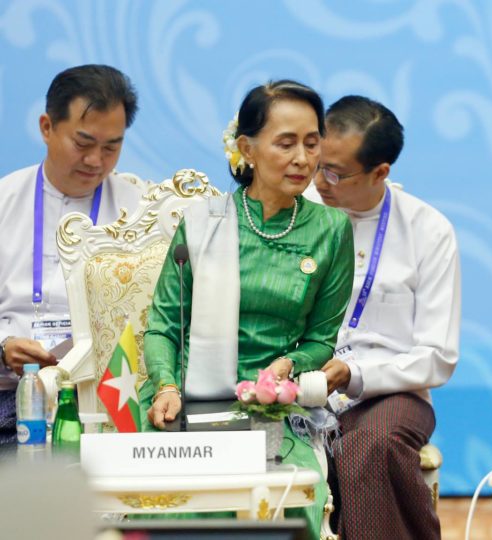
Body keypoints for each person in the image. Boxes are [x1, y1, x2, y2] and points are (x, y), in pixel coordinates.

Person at [143, 80, 354, 536]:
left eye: (312, 143)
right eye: (286, 143)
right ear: (248, 148)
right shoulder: (204, 224)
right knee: (170, 499)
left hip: (273, 404)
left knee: (296, 496)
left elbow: (321, 339)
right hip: (188, 399)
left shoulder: (332, 229)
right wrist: (165, 386)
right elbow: (162, 327)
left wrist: (287, 366)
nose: (302, 158)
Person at [305, 95, 460, 540]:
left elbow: (437, 357)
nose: (321, 180)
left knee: (368, 446)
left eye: (336, 173)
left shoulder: (428, 231)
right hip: (302, 383)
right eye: (319, 164)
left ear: (380, 172)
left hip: (391, 393)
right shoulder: (299, 212)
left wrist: (354, 374)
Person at [0, 64, 146, 454]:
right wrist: (2, 346)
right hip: (8, 399)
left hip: (104, 402)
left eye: (111, 147)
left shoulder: (140, 212)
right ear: (47, 127)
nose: (96, 161)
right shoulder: (4, 200)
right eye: (83, 143)